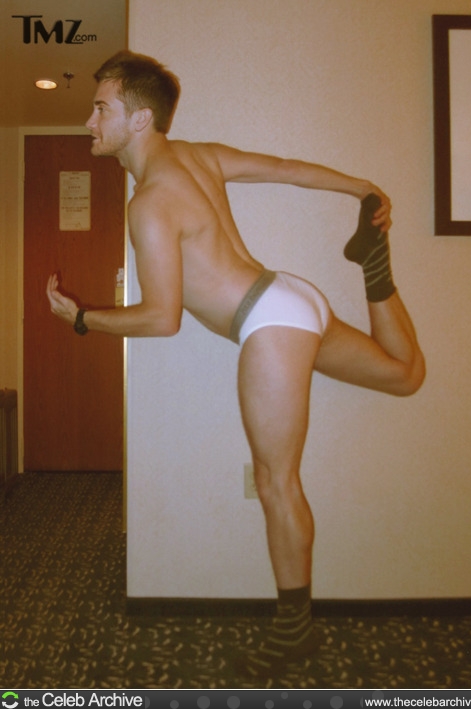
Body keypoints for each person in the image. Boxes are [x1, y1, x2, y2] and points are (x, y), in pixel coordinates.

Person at [46, 50, 425, 677]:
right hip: (291, 298)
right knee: (406, 376)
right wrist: (362, 188)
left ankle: (293, 634)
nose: (89, 121)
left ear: (139, 119)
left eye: (100, 109)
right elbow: (286, 169)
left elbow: (161, 318)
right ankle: (374, 264)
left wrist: (84, 318)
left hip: (268, 322)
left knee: (277, 483)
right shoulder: (197, 156)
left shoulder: (150, 204)